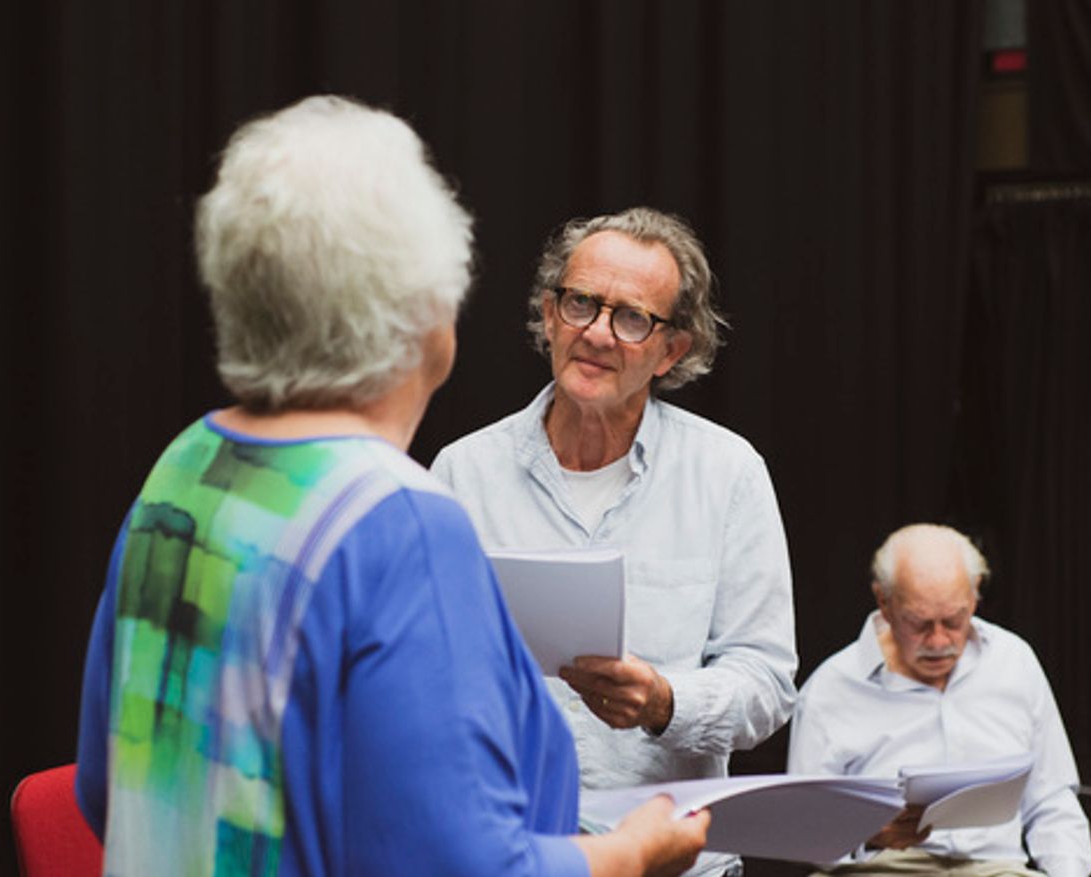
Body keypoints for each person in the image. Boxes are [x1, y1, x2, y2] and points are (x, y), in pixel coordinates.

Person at [74, 95, 708, 877]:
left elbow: (109, 787)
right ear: (417, 314)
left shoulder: (179, 472)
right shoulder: (399, 523)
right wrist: (633, 853)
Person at [432, 207, 798, 877]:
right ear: (549, 314)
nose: (597, 333)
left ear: (672, 351)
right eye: (581, 304)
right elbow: (426, 668)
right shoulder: (463, 472)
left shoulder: (727, 473)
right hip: (512, 855)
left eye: (632, 318)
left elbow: (768, 682)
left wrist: (665, 701)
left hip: (677, 865)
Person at [787, 524, 1091, 877]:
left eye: (954, 620)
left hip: (996, 868)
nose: (938, 641)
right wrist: (869, 837)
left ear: (976, 594)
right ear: (884, 603)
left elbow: (1052, 799)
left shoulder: (1014, 661)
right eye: (919, 623)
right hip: (882, 868)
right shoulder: (832, 687)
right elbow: (806, 832)